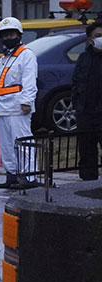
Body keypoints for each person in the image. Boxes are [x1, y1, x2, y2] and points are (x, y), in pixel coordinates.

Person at [0, 17, 38, 190]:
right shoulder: (4, 58)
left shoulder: (26, 55)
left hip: (18, 108)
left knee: (23, 143)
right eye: (4, 35)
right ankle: (12, 175)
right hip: (2, 107)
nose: (7, 38)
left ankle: (29, 177)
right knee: (6, 146)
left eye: (11, 34)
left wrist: (27, 101)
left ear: (19, 35)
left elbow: (29, 81)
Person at [71, 20, 102, 181]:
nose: (100, 39)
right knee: (86, 151)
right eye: (98, 36)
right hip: (86, 113)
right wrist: (77, 104)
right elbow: (76, 82)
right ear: (90, 39)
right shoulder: (84, 58)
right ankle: (88, 184)